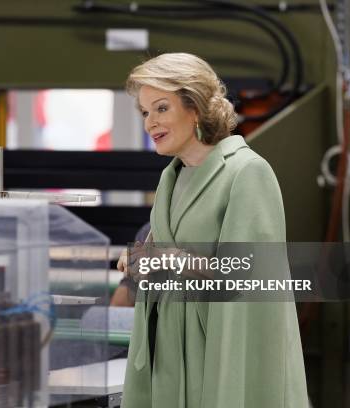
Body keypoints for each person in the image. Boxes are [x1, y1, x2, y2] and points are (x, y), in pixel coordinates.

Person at [117, 53, 308, 407]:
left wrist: (174, 259)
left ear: (195, 107)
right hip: (170, 361)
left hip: (221, 356)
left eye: (161, 108)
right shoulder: (170, 178)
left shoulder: (247, 172)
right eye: (145, 112)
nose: (150, 123)